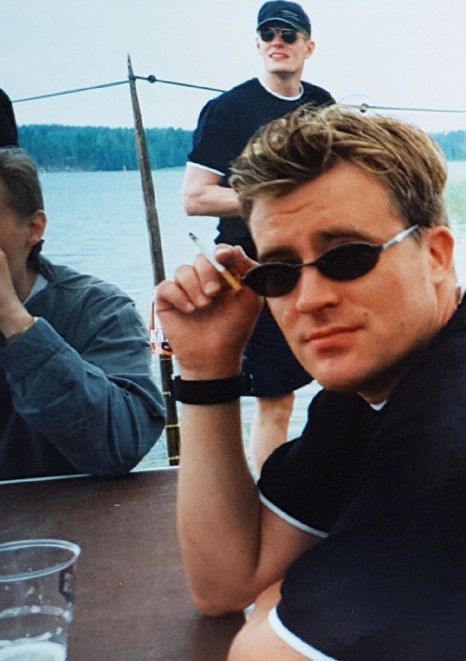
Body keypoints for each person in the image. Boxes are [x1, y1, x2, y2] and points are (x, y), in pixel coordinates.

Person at [156, 105, 466, 661]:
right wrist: (207, 367)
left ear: (437, 256)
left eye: (348, 257)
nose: (309, 299)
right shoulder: (369, 387)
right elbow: (226, 581)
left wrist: (278, 603)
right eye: (279, 272)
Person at [183, 0, 333, 469]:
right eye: (268, 35)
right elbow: (196, 197)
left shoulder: (323, 106)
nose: (277, 43)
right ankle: (266, 499)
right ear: (257, 44)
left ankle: (330, 489)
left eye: (288, 35)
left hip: (316, 264)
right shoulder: (228, 110)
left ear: (309, 47)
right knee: (276, 399)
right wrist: (275, 198)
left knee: (343, 380)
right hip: (253, 268)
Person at [0, 148, 166, 480]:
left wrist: (14, 319)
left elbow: (119, 447)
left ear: (34, 227)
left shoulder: (99, 309)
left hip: (60, 509)